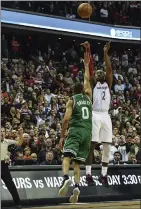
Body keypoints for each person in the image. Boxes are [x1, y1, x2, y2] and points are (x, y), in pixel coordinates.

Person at [58, 52, 92, 203]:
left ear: (73, 92)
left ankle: (65, 178)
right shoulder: (89, 97)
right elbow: (87, 79)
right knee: (77, 163)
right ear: (84, 90)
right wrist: (86, 65)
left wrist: (62, 135)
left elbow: (66, 120)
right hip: (88, 134)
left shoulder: (72, 100)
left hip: (76, 131)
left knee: (66, 157)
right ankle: (77, 187)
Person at [82, 41, 112, 186]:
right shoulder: (94, 84)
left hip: (106, 115)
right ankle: (88, 174)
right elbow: (91, 69)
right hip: (95, 114)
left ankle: (103, 175)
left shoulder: (109, 83)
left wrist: (106, 54)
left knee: (107, 146)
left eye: (102, 73)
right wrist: (89, 49)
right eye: (97, 73)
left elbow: (109, 68)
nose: (99, 73)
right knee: (92, 144)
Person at [1, 127, 23, 209]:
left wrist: (21, 134)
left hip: (4, 165)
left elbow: (19, 143)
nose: (2, 133)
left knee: (11, 185)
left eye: (3, 131)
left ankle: (18, 203)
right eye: (0, 131)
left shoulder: (8, 141)